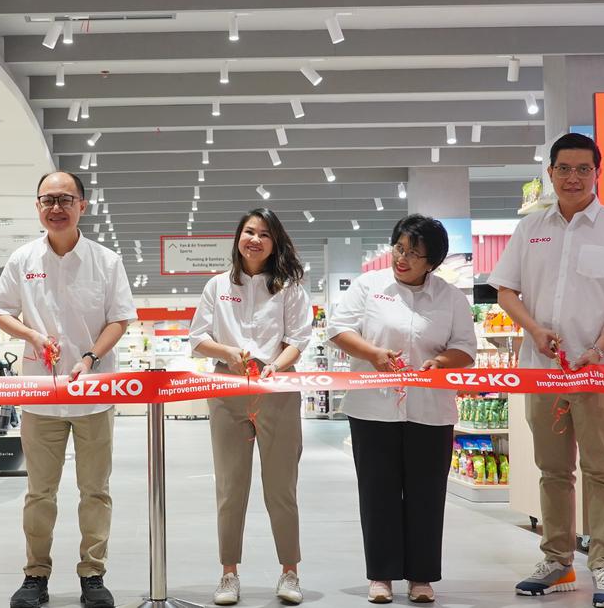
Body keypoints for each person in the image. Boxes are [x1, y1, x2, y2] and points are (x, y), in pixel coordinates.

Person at [490, 132, 604, 608]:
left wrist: (599, 348)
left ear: (597, 173)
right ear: (551, 172)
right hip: (541, 371)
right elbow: (506, 291)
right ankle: (557, 558)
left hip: (598, 372)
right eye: (564, 168)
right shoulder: (530, 229)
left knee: (601, 468)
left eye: (584, 168)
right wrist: (535, 330)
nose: (573, 177)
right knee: (552, 469)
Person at [0, 171, 137, 608]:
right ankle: (36, 574)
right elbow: (1, 311)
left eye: (65, 199)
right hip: (40, 394)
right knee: (40, 491)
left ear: (82, 206)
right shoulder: (22, 260)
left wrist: (91, 357)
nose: (56, 208)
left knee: (96, 489)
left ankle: (93, 573)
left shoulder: (106, 261)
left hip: (94, 395)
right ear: (38, 206)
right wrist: (34, 337)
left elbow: (119, 318)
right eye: (48, 200)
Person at [328, 214, 476, 605]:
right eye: (399, 248)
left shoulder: (450, 297)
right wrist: (374, 354)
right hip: (372, 408)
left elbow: (466, 349)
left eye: (414, 252)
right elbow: (338, 329)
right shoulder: (368, 286)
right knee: (378, 493)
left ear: (433, 261)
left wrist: (441, 362)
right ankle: (381, 575)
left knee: (427, 494)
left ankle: (422, 577)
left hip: (430, 410)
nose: (403, 258)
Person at [188, 207, 312, 606]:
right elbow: (197, 338)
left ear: (275, 242)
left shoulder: (289, 287)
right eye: (248, 232)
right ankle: (229, 574)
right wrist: (228, 351)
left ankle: (290, 570)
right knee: (230, 486)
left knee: (281, 486)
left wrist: (275, 365)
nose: (254, 239)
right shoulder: (217, 285)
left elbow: (299, 339)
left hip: (276, 389)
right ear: (237, 238)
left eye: (263, 234)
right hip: (226, 390)